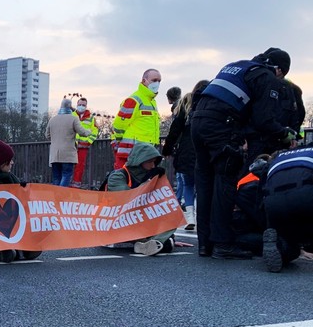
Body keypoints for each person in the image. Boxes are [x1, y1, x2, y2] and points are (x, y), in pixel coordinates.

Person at [191, 47, 295, 260]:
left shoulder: (237, 66)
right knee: (225, 180)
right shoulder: (267, 77)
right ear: (279, 70)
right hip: (221, 125)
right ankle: (222, 244)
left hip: (198, 122)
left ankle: (205, 244)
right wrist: (284, 134)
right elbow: (263, 120)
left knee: (205, 181)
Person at [105, 142, 176, 256]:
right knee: (166, 243)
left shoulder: (152, 174)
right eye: (150, 162)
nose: (153, 166)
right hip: (119, 219)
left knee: (172, 210)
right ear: (139, 161)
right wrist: (147, 182)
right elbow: (127, 199)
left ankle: (155, 241)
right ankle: (157, 241)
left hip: (141, 218)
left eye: (154, 162)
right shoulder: (118, 176)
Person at [162, 80, 209, 230]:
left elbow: (175, 130)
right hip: (205, 149)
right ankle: (205, 217)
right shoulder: (211, 103)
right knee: (204, 185)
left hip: (187, 150)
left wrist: (167, 149)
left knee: (188, 184)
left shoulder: (186, 103)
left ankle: (190, 218)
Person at [261, 146, 313, 273]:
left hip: (274, 203)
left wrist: (268, 225)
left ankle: (279, 246)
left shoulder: (276, 160)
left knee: (290, 244)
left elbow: (260, 194)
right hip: (305, 196)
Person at [46, 98, 91, 187]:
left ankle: (55, 198)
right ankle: (61, 196)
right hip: (67, 154)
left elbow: (47, 135)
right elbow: (82, 132)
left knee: (56, 178)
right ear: (70, 107)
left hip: (54, 154)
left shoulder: (52, 120)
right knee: (66, 175)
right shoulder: (73, 119)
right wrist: (89, 131)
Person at [71, 97, 97, 188]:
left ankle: (76, 184)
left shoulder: (91, 118)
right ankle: (67, 184)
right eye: (80, 105)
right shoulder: (71, 115)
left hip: (83, 146)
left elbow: (95, 131)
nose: (81, 106)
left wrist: (89, 141)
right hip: (71, 145)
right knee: (68, 164)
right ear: (77, 105)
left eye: (83, 105)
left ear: (86, 106)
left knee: (80, 165)